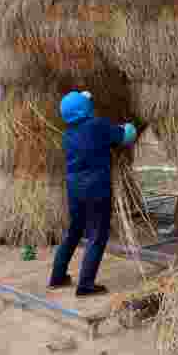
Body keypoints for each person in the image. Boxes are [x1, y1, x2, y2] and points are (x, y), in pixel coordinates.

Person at [47, 90, 137, 296]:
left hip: (75, 189)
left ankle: (57, 277)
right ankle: (86, 285)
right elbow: (127, 136)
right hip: (97, 188)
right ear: (85, 108)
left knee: (74, 232)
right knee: (97, 235)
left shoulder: (68, 134)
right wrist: (129, 126)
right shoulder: (98, 125)